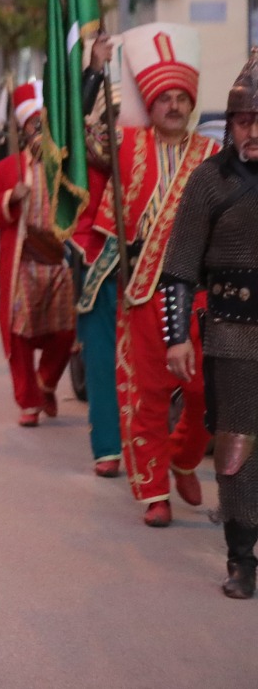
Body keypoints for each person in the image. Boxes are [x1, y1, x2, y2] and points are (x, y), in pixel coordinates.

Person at [75, 27, 218, 526]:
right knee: (147, 396)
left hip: (199, 296)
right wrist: (96, 71)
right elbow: (85, 135)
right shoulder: (125, 144)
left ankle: (184, 455)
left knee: (206, 391)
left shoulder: (212, 158)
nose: (174, 106)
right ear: (150, 104)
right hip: (141, 290)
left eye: (182, 98)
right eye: (164, 98)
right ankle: (154, 490)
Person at [158, 47, 258, 596]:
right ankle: (242, 558)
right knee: (237, 444)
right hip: (233, 332)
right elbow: (178, 268)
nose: (252, 130)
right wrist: (176, 337)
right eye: (244, 119)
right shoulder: (209, 181)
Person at [0, 82, 78, 427]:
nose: (41, 133)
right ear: (23, 130)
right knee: (18, 334)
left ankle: (46, 381)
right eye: (35, 126)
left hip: (58, 264)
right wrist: (9, 199)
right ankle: (28, 399)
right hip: (22, 264)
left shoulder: (71, 168)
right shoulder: (7, 170)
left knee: (67, 332)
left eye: (47, 125)